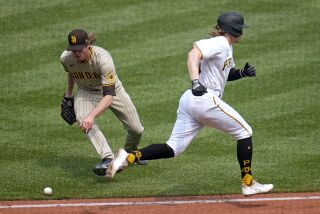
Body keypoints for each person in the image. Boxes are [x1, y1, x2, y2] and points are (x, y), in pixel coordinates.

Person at [106, 12, 273, 196]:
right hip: (203, 99)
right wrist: (195, 81)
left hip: (190, 101)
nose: (242, 31)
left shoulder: (226, 47)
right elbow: (193, 53)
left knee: (174, 148)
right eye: (241, 28)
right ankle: (248, 183)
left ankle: (128, 157)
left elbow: (224, 74)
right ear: (234, 30)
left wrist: (241, 73)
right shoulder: (220, 42)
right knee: (244, 132)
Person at [60, 29, 146, 176]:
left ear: (88, 46)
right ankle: (107, 157)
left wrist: (91, 116)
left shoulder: (103, 59)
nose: (76, 53)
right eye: (73, 50)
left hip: (112, 91)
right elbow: (71, 72)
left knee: (136, 129)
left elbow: (108, 96)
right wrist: (69, 94)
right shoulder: (66, 58)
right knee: (82, 118)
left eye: (79, 49)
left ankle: (131, 152)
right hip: (86, 92)